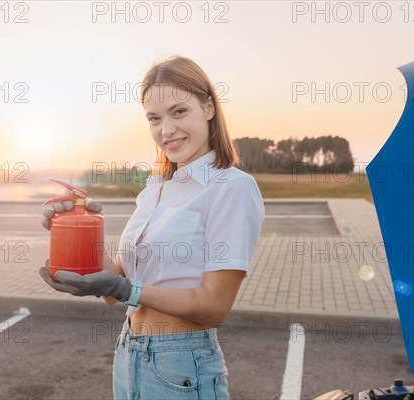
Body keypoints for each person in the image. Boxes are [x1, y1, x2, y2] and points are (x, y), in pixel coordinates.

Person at [40, 55, 265, 400]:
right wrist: (74, 229)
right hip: (129, 351)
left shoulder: (231, 186)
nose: (166, 131)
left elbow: (214, 306)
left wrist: (123, 288)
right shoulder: (156, 188)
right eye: (154, 119)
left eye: (179, 112)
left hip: (182, 366)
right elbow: (112, 284)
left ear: (208, 107)